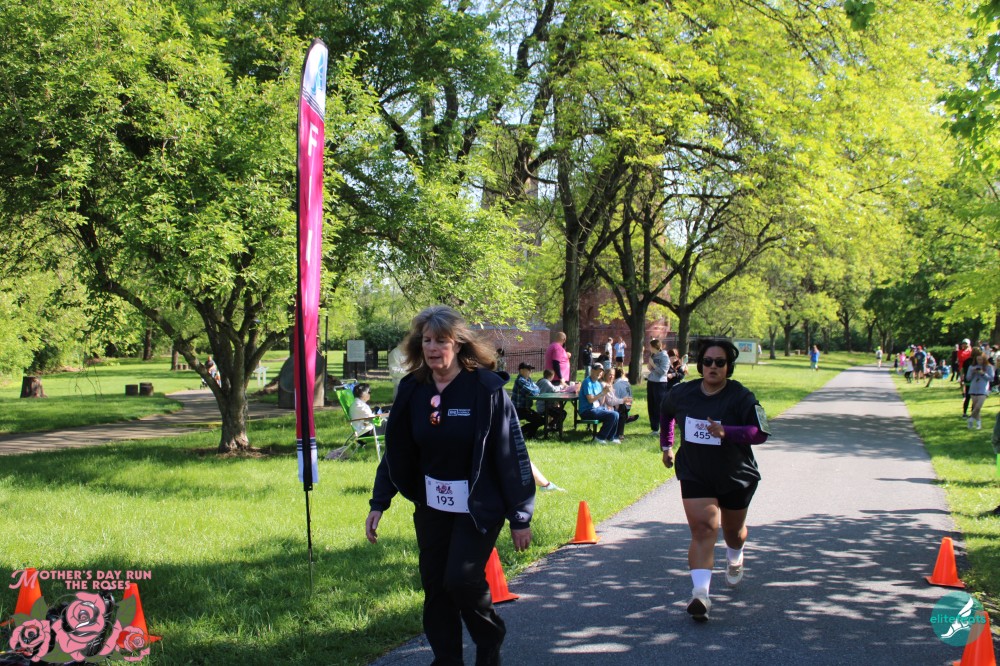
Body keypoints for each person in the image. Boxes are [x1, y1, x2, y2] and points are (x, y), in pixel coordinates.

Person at [365, 305, 534, 666]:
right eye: (427, 340)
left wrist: (520, 516)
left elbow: (511, 454)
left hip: (478, 504)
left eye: (441, 340)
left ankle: (489, 636)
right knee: (436, 585)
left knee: (461, 579)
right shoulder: (413, 389)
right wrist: (379, 501)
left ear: (458, 344)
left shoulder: (485, 389)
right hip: (432, 506)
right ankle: (446, 660)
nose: (433, 347)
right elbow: (397, 450)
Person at [658, 338, 770, 622]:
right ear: (700, 364)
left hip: (735, 475)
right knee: (704, 529)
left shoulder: (741, 396)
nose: (713, 367)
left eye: (720, 362)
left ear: (728, 367)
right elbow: (666, 412)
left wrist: (727, 432)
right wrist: (667, 445)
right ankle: (700, 595)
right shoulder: (683, 393)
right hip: (695, 473)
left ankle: (735, 555)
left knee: (733, 531)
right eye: (708, 361)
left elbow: (760, 433)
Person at [578, 363, 620, 444]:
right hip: (587, 411)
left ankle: (610, 438)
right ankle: (599, 437)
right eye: (598, 371)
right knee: (613, 415)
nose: (599, 373)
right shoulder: (587, 382)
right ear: (592, 371)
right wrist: (602, 393)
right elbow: (590, 400)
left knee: (616, 414)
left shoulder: (597, 383)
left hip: (597, 409)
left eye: (601, 372)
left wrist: (605, 392)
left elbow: (601, 402)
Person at [511, 362, 545, 439]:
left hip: (526, 408)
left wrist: (535, 390)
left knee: (541, 420)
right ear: (521, 370)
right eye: (528, 369)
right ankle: (519, 432)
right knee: (539, 420)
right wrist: (535, 390)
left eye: (531, 369)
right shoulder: (520, 380)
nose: (530, 371)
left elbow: (538, 389)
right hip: (519, 409)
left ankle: (530, 435)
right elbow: (531, 392)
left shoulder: (528, 380)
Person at [647, 338, 671, 434]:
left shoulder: (664, 356)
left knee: (658, 406)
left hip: (660, 383)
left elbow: (663, 371)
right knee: (651, 405)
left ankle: (662, 427)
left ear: (654, 346)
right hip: (651, 382)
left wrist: (653, 364)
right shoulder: (653, 355)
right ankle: (654, 428)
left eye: (650, 346)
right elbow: (651, 369)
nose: (649, 348)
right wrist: (650, 365)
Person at [966, 351, 995, 430]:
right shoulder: (971, 367)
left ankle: (970, 419)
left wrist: (983, 373)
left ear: (984, 359)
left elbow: (991, 378)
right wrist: (972, 372)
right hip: (973, 388)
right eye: (978, 359)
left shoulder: (989, 367)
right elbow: (968, 378)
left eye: (981, 359)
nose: (979, 361)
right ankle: (978, 424)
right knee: (976, 408)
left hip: (983, 389)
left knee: (978, 407)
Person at [536, 368, 568, 434]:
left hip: (541, 405)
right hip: (544, 406)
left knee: (560, 412)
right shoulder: (546, 382)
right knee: (562, 413)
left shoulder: (541, 381)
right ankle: (552, 427)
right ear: (552, 376)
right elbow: (554, 389)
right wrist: (561, 386)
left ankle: (553, 426)